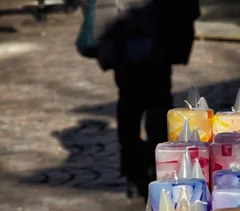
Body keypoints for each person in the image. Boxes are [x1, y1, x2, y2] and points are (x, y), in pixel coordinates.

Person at [77, 0, 201, 199]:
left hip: (122, 39)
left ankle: (134, 174)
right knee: (157, 106)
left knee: (129, 106)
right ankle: (157, 168)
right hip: (156, 36)